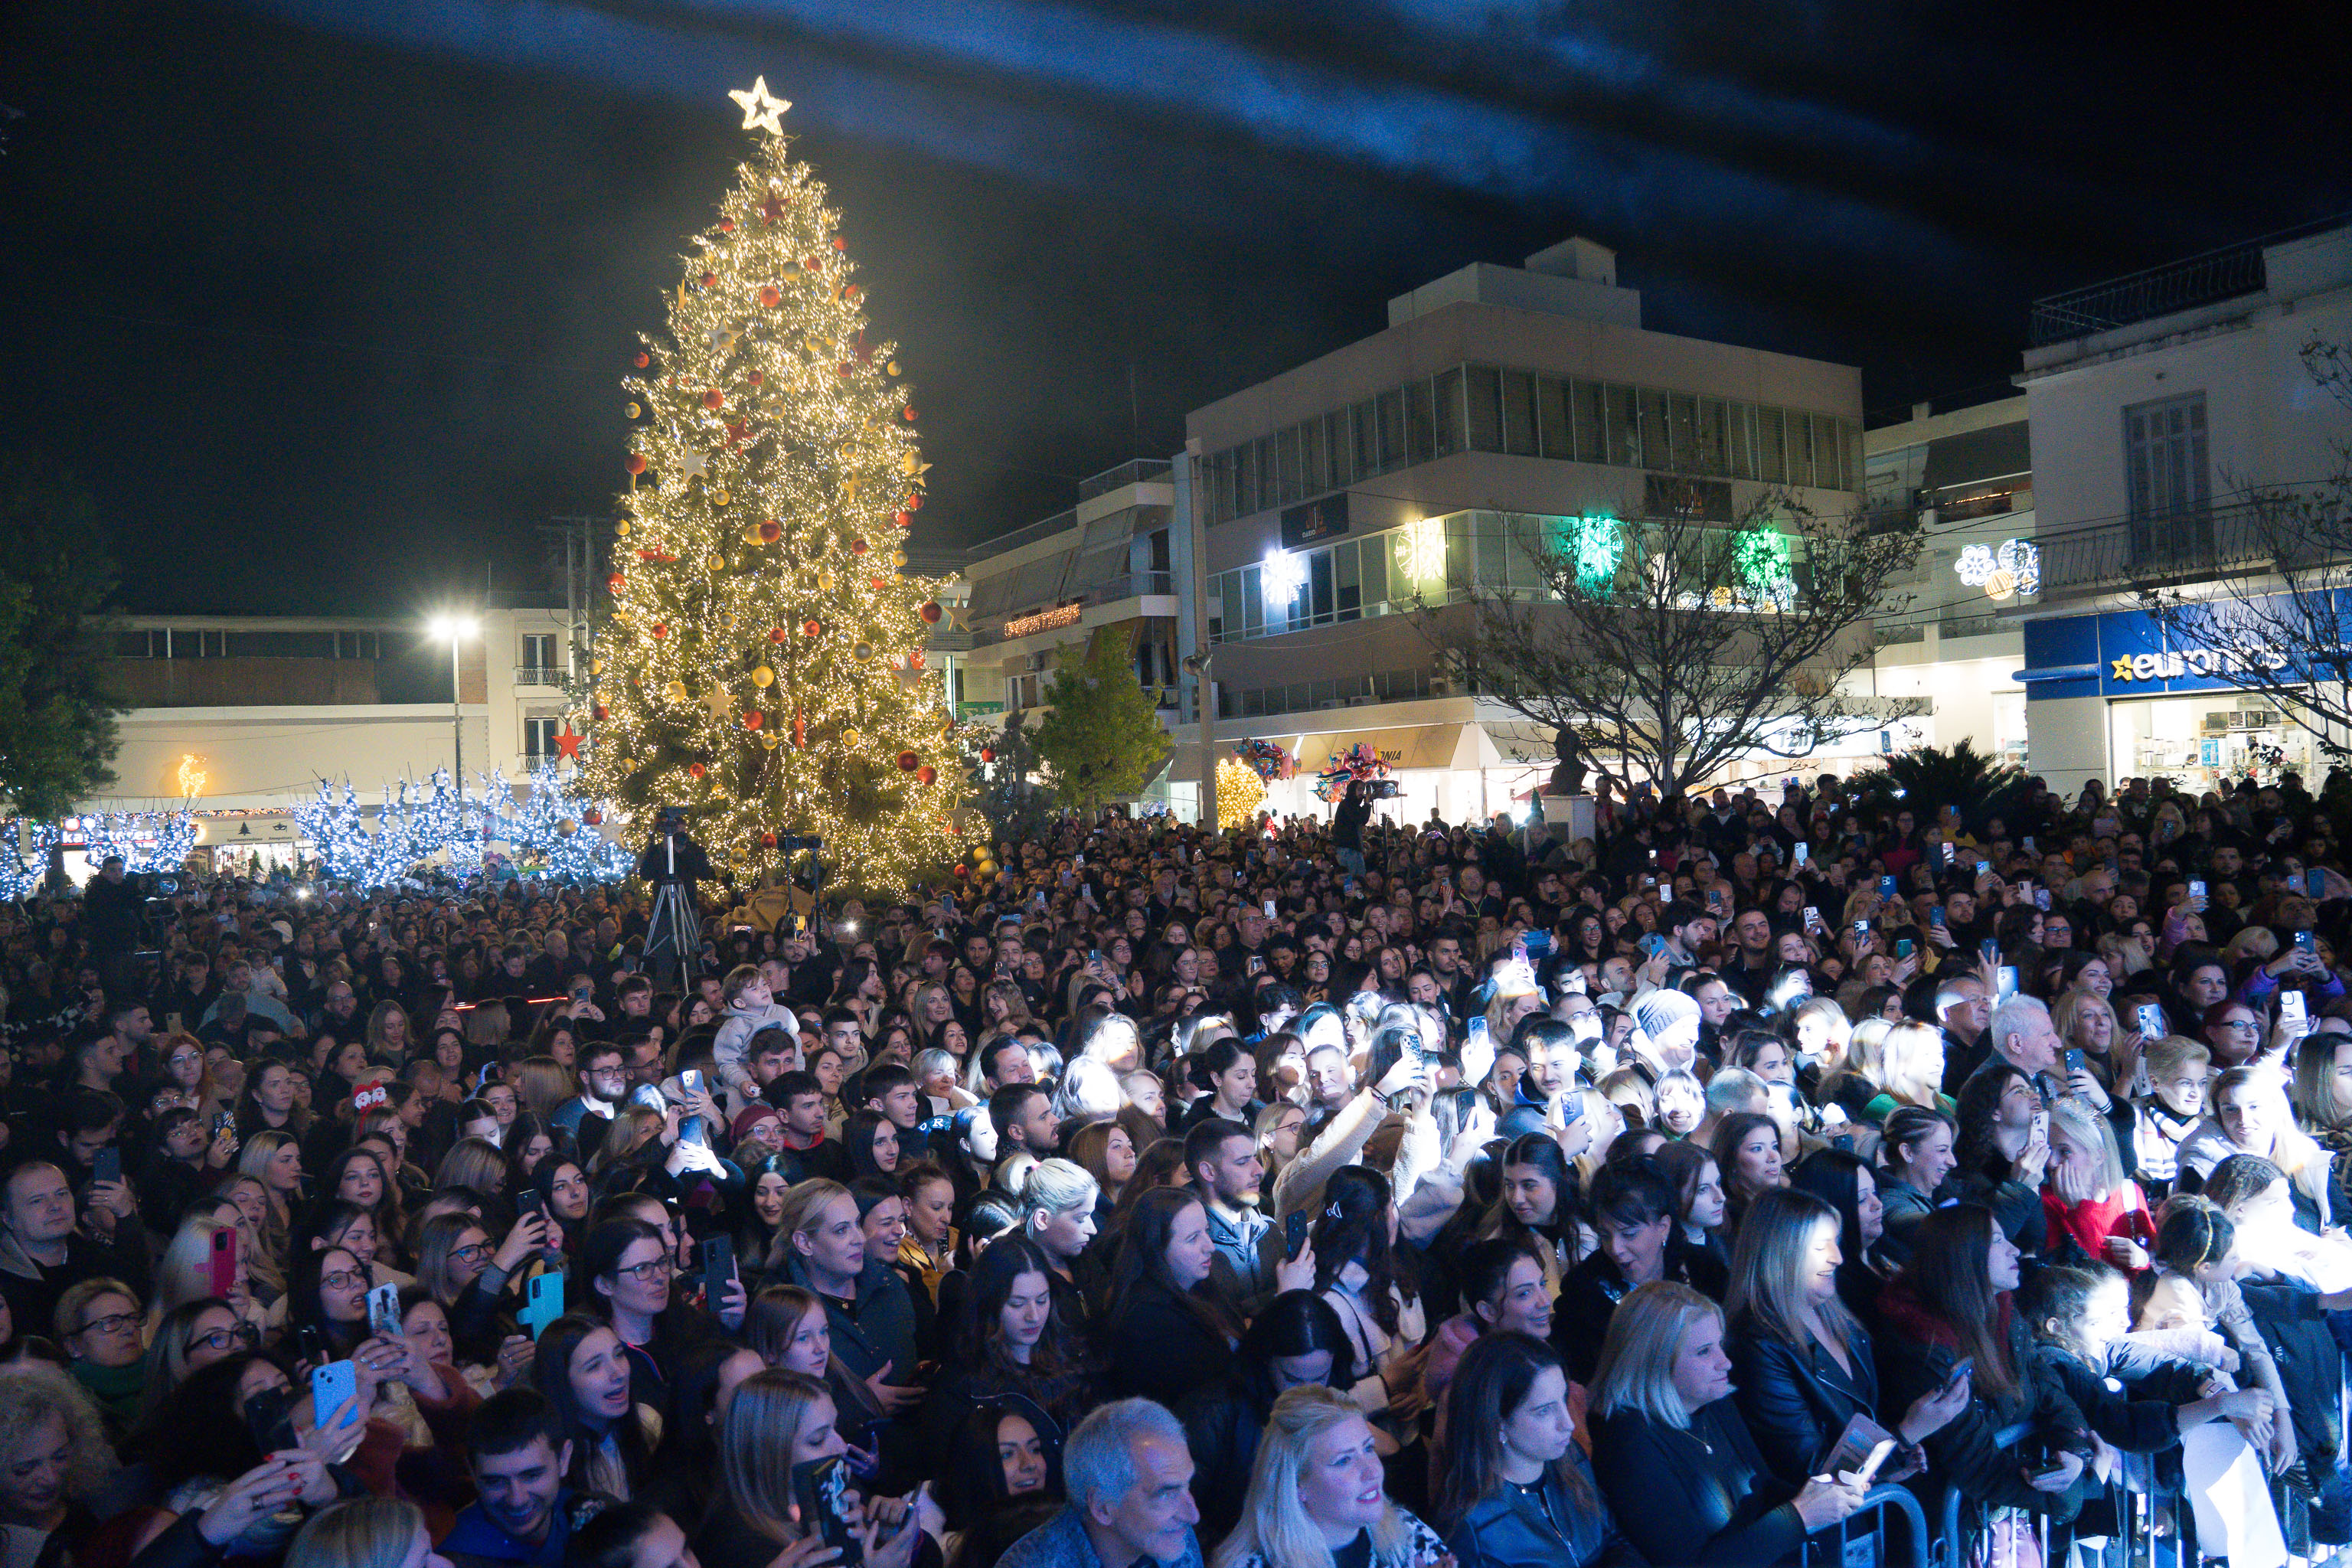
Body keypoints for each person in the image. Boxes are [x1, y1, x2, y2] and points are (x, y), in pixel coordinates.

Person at [1724, 1189, 1965, 1488]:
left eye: (1836, 1244)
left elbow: (1860, 1426)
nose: (1838, 1258)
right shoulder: (1758, 1348)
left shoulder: (1842, 1323)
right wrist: (1905, 1435)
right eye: (1820, 1247)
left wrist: (1894, 1457)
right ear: (1780, 1253)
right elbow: (1812, 1473)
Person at [1872, 1206, 2092, 1529]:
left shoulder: (2001, 1313)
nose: (2014, 1249)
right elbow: (1976, 1464)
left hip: (1973, 1520)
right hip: (1937, 1529)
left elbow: (2045, 1388)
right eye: (1999, 1241)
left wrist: (2073, 1451)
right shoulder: (1924, 1345)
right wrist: (2069, 1494)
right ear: (1965, 1257)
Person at [1438, 1332, 1637, 1568]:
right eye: (1544, 1411)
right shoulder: (1471, 1525)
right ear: (1496, 1422)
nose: (1568, 1424)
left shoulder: (1572, 1458)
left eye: (1563, 1399)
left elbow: (1614, 1539)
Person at [1174, 1289, 1355, 1544]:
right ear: (1264, 1359)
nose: (1307, 1392)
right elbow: (1178, 1515)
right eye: (1292, 1379)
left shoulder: (1334, 1396)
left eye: (1319, 1378)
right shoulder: (1211, 1413)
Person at [1208, 1384, 1449, 1568]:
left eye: (1368, 1448)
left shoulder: (1407, 1534)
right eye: (1343, 1460)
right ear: (1296, 1484)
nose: (1373, 1470)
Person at [995, 1398, 1204, 1568]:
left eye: (1187, 1486)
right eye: (1166, 1494)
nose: (1192, 1515)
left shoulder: (1175, 1538)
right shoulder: (1032, 1563)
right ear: (1102, 1507)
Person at [1102, 1189, 1246, 1407]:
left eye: (1206, 1231)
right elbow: (1220, 1389)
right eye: (1192, 1238)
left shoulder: (1198, 1284)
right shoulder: (1148, 1323)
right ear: (1156, 1250)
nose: (1210, 1247)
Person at [442, 1388, 612, 1568]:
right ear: (473, 1473)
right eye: (495, 1482)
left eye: (532, 1476)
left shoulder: (602, 1522)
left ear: (563, 1459)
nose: (517, 1500)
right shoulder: (452, 1562)